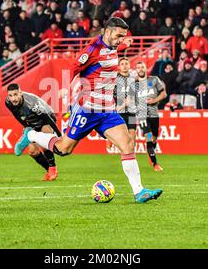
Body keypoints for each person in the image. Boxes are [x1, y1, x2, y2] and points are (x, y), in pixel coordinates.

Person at [14, 17, 163, 203]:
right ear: (107, 32)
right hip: (87, 109)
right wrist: (65, 88)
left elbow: (115, 50)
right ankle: (31, 135)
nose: (120, 40)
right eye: (118, 36)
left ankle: (139, 192)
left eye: (123, 37)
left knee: (128, 144)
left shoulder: (114, 46)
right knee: (63, 149)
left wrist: (124, 45)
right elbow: (72, 68)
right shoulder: (93, 49)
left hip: (108, 110)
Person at [6, 83, 60, 181]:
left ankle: (53, 168)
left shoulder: (32, 104)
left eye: (15, 94)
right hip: (32, 124)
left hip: (46, 119)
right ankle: (49, 170)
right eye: (10, 95)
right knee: (32, 151)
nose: (13, 98)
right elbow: (18, 115)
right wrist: (26, 127)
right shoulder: (8, 103)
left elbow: (47, 118)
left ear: (20, 93)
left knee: (44, 142)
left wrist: (59, 134)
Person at [135, 61, 167, 171]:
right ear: (136, 70)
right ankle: (155, 164)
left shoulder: (154, 79)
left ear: (145, 68)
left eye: (142, 67)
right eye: (138, 67)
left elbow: (163, 94)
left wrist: (154, 100)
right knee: (148, 137)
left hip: (154, 114)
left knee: (154, 138)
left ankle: (151, 152)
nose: (140, 69)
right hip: (142, 115)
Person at [114, 58, 137, 150]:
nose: (124, 66)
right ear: (119, 66)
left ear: (129, 65)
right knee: (123, 138)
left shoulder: (134, 79)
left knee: (132, 137)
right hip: (120, 112)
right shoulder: (115, 80)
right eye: (122, 64)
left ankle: (131, 159)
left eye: (126, 63)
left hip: (131, 113)